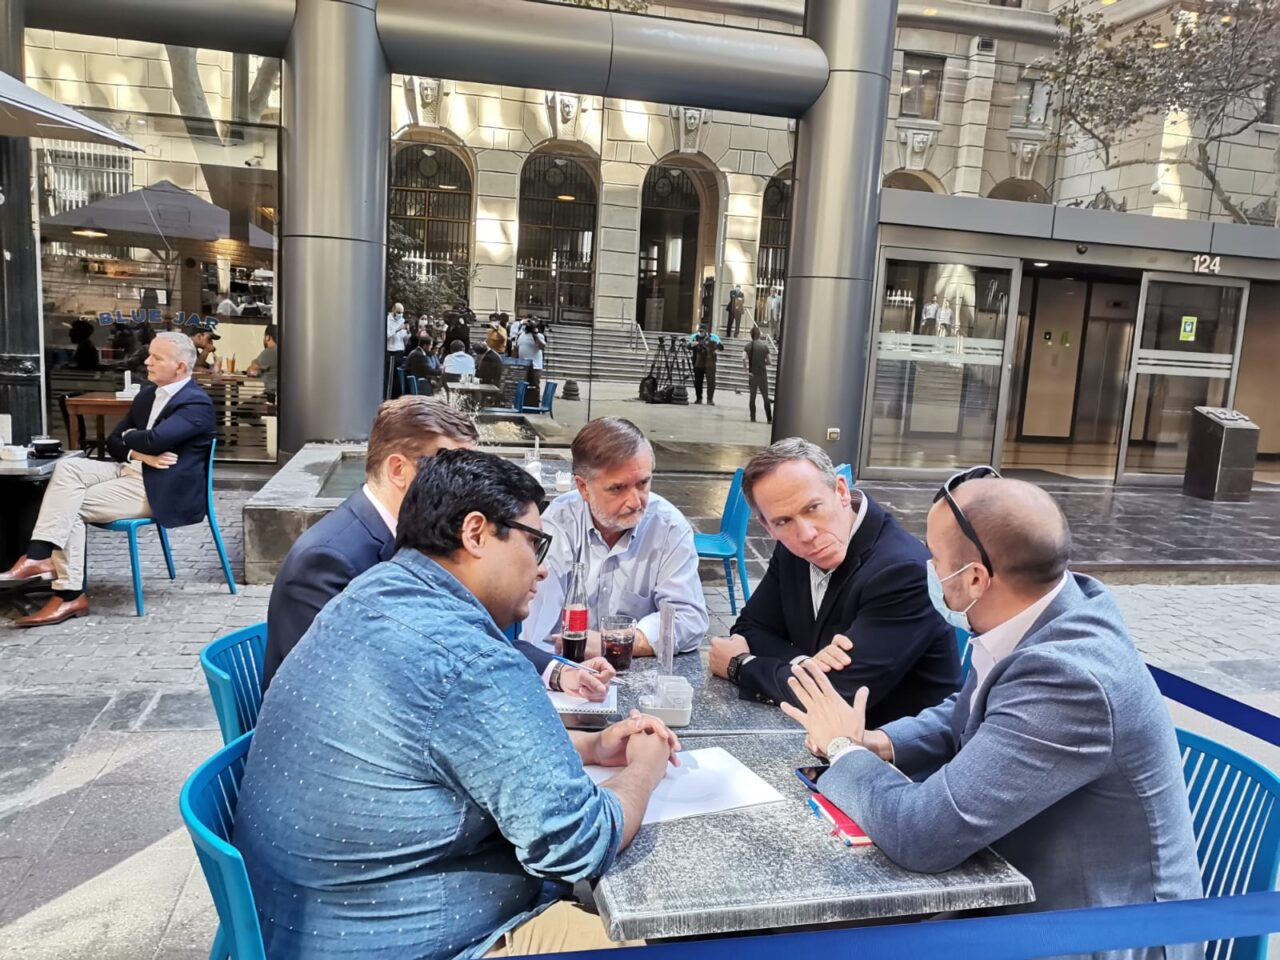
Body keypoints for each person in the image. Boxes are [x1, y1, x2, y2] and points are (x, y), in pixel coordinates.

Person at [237, 448, 679, 958]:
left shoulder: (368, 594)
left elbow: (443, 745)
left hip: (298, 921)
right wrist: (644, 768)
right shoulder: (468, 659)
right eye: (534, 543)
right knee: (653, 940)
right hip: (406, 938)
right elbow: (579, 844)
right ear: (475, 533)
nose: (541, 570)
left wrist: (592, 746)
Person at [779, 471, 1202, 950]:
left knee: (813, 939)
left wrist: (842, 749)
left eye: (934, 557)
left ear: (975, 578)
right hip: (1025, 896)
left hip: (1093, 933)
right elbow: (974, 710)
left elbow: (922, 835)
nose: (928, 568)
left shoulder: (1068, 678)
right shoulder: (1048, 609)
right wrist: (881, 743)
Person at [709, 438, 959, 726]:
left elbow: (837, 695)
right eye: (783, 521)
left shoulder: (903, 571)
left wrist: (741, 665)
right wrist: (807, 664)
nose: (806, 534)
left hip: (891, 746)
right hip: (814, 734)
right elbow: (750, 628)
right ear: (768, 526)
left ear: (841, 490)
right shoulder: (794, 548)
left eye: (813, 508)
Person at [0, 333, 215, 625]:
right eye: (149, 355)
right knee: (69, 467)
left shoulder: (196, 403)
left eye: (157, 357)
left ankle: (67, 593)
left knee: (70, 506)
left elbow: (154, 440)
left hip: (158, 488)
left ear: (179, 367)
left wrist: (133, 439)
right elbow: (113, 442)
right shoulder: (147, 395)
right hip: (130, 469)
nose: (147, 362)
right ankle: (40, 556)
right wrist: (138, 453)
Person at [525, 417, 707, 658]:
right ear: (583, 488)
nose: (635, 501)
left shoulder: (668, 527)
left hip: (636, 669)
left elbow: (689, 619)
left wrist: (615, 642)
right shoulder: (557, 525)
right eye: (617, 488)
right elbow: (538, 633)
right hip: (565, 665)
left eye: (643, 483)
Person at [687, 322, 723, 406]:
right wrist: (693, 344)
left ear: (706, 331)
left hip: (710, 363)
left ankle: (710, 399)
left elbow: (721, 347)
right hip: (698, 363)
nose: (701, 333)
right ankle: (699, 398)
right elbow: (688, 346)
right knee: (698, 382)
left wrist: (716, 344)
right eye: (700, 331)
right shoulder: (694, 337)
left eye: (702, 331)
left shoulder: (713, 337)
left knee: (711, 382)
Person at [742, 325, 772, 424]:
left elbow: (743, 358)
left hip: (752, 375)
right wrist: (763, 363)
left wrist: (746, 371)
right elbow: (770, 361)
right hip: (762, 375)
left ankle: (753, 417)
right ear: (759, 335)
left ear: (751, 335)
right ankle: (769, 419)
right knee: (765, 397)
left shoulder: (747, 346)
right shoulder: (764, 346)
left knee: (752, 397)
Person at [245, 324, 278, 402]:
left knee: (241, 408)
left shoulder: (270, 351)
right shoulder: (284, 350)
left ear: (267, 337)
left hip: (270, 396)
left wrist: (253, 362)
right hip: (280, 397)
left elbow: (251, 371)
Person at [517, 319, 546, 388]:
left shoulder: (539, 336)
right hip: (523, 366)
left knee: (533, 387)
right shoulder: (521, 335)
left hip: (535, 367)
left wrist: (535, 335)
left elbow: (542, 347)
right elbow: (516, 348)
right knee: (522, 387)